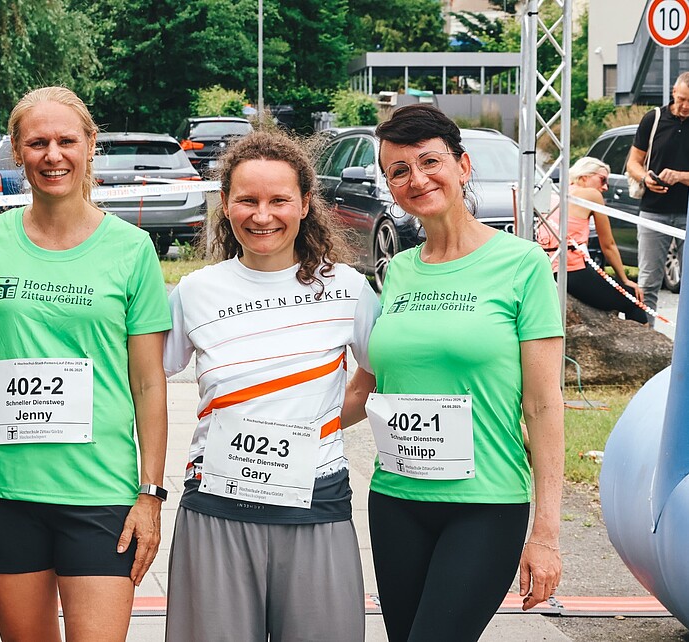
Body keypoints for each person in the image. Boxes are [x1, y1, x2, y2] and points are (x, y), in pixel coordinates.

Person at [0, 86, 171, 642]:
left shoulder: (132, 250)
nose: (53, 154)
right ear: (18, 151)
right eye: (38, 142)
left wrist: (150, 494)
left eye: (66, 140)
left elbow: (149, 383)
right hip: (5, 489)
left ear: (90, 146)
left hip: (101, 493)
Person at [347, 104, 565, 642]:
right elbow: (366, 386)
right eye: (399, 170)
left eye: (430, 161)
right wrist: (284, 421)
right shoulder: (396, 271)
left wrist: (547, 533)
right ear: (391, 188)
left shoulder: (522, 264)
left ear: (463, 166)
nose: (416, 179)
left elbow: (542, 406)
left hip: (485, 506)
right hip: (396, 501)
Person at [163, 129, 382, 641]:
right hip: (216, 506)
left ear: (306, 204)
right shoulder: (196, 291)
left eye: (279, 200)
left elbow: (378, 373)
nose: (263, 215)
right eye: (247, 200)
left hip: (315, 507)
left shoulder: (345, 287)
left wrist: (322, 424)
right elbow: (144, 379)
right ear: (225, 204)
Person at [537, 157, 647, 323]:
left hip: (548, 268)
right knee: (633, 298)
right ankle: (645, 347)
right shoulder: (591, 194)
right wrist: (624, 280)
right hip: (571, 271)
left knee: (610, 289)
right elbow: (608, 245)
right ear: (584, 177)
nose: (604, 187)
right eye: (602, 180)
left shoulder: (555, 194)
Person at [626, 71, 689, 324]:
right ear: (673, 92)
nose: (685, 106)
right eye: (682, 99)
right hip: (654, 210)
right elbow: (633, 162)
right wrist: (645, 179)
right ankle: (647, 341)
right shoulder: (653, 119)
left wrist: (681, 176)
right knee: (648, 282)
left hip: (687, 211)